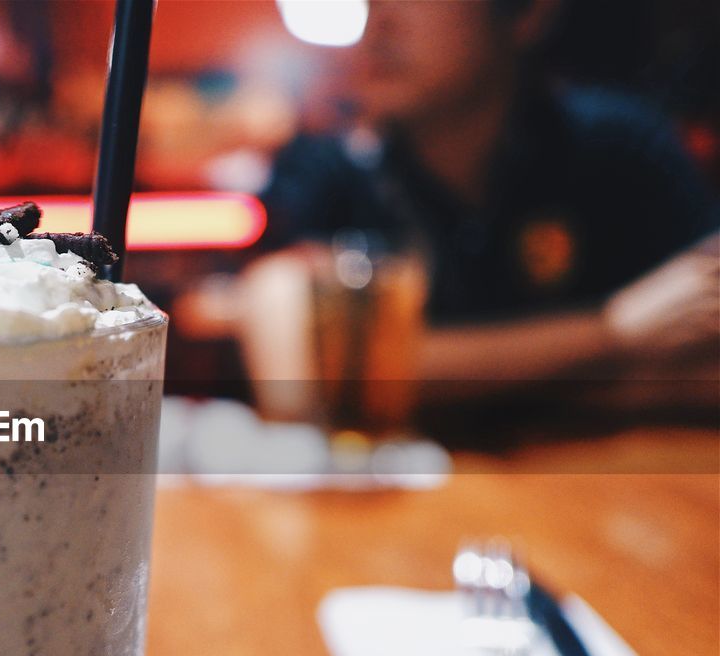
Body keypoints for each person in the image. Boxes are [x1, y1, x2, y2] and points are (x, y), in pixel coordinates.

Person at [222, 0, 718, 417]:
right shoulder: (328, 166)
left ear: (528, 15)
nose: (378, 20)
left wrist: (437, 379)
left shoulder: (620, 148)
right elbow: (299, 377)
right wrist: (613, 332)